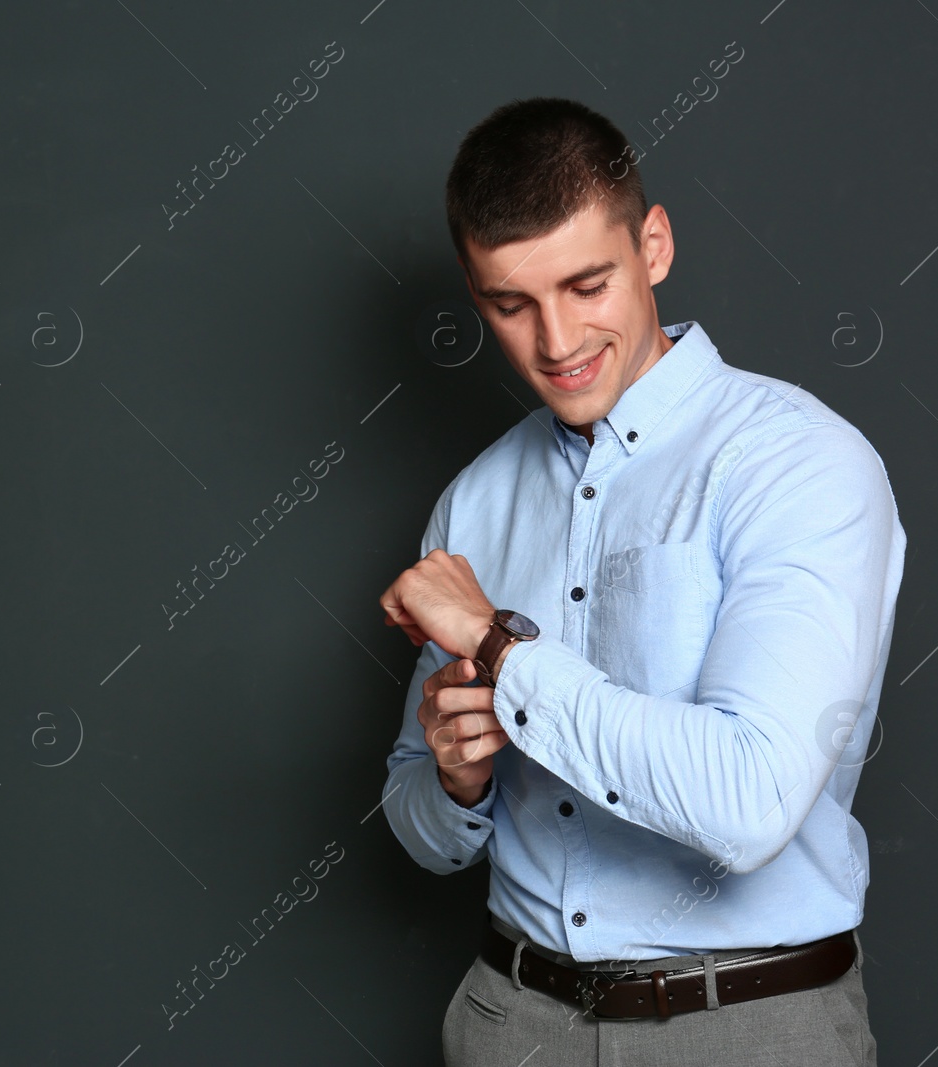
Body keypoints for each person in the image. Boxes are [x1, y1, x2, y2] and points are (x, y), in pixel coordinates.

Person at [377, 97, 904, 1066]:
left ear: (652, 245)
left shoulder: (799, 463)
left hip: (748, 1026)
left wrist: (498, 646)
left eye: (586, 284)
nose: (555, 338)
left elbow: (746, 803)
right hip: (512, 1020)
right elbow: (416, 823)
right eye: (510, 303)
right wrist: (456, 782)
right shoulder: (473, 504)